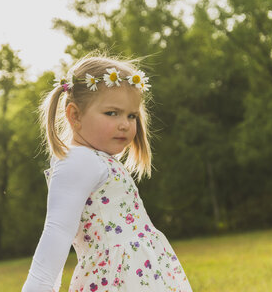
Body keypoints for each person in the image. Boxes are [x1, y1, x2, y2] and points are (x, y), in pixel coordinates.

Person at [21, 54, 193, 292]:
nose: (125, 124)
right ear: (75, 115)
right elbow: (58, 229)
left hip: (136, 273)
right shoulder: (78, 161)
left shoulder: (96, 159)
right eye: (112, 113)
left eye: (131, 115)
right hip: (115, 278)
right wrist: (38, 286)